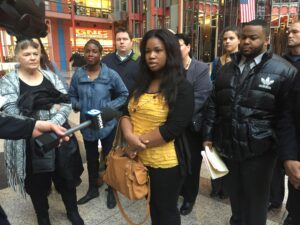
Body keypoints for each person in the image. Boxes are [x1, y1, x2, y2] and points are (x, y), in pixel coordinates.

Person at [202, 19, 298, 225]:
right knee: (235, 198)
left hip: (260, 152)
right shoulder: (226, 68)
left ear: (266, 40)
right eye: (244, 37)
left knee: (255, 203)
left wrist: (285, 152)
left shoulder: (284, 70)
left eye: (253, 38)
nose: (246, 41)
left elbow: (286, 116)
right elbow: (213, 104)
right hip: (229, 145)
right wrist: (208, 136)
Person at [0, 39, 84, 225]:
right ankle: (43, 217)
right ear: (17, 57)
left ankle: (72, 211)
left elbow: (66, 101)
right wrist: (39, 122)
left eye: (35, 54)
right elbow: (10, 111)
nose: (32, 58)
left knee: (65, 175)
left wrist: (53, 122)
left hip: (59, 134)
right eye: (27, 54)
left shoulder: (50, 76)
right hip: (28, 141)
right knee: (37, 182)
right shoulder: (7, 81)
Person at [120, 29, 194, 225]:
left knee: (166, 210)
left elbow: (173, 128)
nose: (151, 55)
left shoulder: (182, 87)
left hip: (166, 163)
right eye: (147, 51)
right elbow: (125, 112)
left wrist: (135, 145)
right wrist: (128, 135)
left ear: (169, 52)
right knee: (152, 206)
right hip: (140, 160)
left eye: (158, 50)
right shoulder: (141, 82)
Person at [69, 39, 128, 209]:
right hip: (87, 124)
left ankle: (111, 189)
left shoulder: (110, 74)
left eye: (94, 51)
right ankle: (93, 188)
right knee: (92, 158)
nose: (90, 54)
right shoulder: (79, 74)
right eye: (87, 51)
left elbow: (124, 94)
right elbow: (71, 95)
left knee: (110, 157)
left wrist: (107, 108)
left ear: (100, 54)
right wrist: (78, 104)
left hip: (107, 122)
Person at [0, 114, 69, 225]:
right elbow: (8, 106)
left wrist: (46, 123)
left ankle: (72, 210)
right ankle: (42, 215)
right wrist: (32, 123)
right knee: (35, 183)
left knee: (65, 175)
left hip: (52, 130)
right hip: (21, 138)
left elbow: (67, 103)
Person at [175, 33, 212, 215]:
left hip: (190, 126)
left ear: (188, 47)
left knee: (191, 164)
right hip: (172, 127)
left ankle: (190, 198)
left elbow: (201, 96)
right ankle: (177, 191)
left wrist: (177, 116)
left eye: (179, 45)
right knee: (174, 163)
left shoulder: (200, 68)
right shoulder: (169, 69)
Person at [210, 27, 240, 199]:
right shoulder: (217, 62)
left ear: (238, 40)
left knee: (230, 155)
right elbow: (213, 83)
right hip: (218, 110)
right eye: (225, 38)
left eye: (231, 38)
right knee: (216, 152)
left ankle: (227, 189)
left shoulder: (243, 61)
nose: (227, 41)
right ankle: (216, 187)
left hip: (233, 113)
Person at [279, 20, 300, 225]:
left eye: (295, 31)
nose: (290, 35)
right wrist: (289, 156)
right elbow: (287, 115)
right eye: (289, 31)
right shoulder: (283, 64)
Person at [101, 28, 140, 94]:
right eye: (118, 39)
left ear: (131, 42)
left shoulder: (139, 60)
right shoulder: (106, 60)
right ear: (115, 42)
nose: (121, 42)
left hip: (132, 102)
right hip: (111, 103)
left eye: (125, 39)